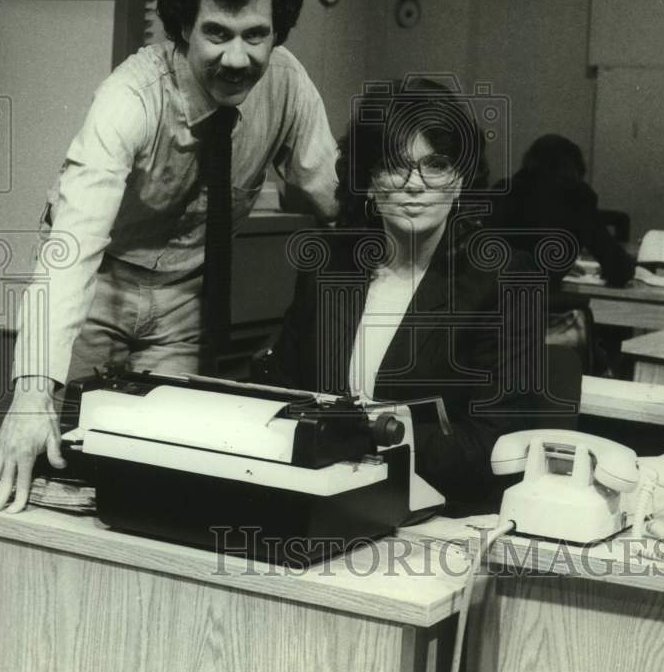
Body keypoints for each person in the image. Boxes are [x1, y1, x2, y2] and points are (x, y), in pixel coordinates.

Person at [0, 0, 339, 514]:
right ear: (183, 28)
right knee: (54, 459)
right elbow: (71, 247)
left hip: (185, 299)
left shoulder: (289, 85)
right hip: (101, 284)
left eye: (255, 35)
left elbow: (327, 193)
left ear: (277, 34)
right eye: (216, 33)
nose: (237, 57)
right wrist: (30, 393)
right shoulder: (130, 98)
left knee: (162, 469)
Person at [267, 83, 548, 509]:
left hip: (441, 512)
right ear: (369, 184)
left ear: (460, 182)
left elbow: (496, 437)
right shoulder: (328, 267)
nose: (415, 185)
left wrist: (357, 439)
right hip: (323, 497)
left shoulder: (504, 279)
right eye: (395, 166)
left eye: (436, 165)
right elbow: (283, 395)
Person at [488, 134, 635, 289]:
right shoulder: (576, 195)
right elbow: (619, 270)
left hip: (488, 294)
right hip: (536, 297)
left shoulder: (502, 189)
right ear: (574, 168)